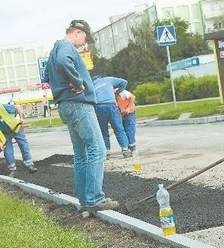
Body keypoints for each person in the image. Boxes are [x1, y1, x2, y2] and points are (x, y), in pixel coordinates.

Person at [43, 19, 118, 212]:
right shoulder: (66, 47)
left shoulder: (54, 50)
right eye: (84, 38)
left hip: (65, 104)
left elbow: (46, 76)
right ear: (77, 32)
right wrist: (78, 83)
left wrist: (62, 84)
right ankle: (95, 199)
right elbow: (63, 62)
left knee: (81, 154)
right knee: (97, 149)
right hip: (79, 105)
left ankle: (85, 200)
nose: (84, 43)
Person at [92, 75, 131, 158]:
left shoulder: (92, 84)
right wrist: (117, 92)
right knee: (118, 128)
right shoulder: (108, 79)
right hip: (111, 105)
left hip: (99, 107)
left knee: (103, 130)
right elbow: (124, 82)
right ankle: (125, 150)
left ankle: (106, 152)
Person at [0, 103, 38, 177]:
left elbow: (18, 107)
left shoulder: (3, 107)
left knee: (23, 145)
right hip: (5, 133)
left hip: (17, 128)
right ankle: (12, 169)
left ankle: (29, 165)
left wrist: (21, 118)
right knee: (8, 151)